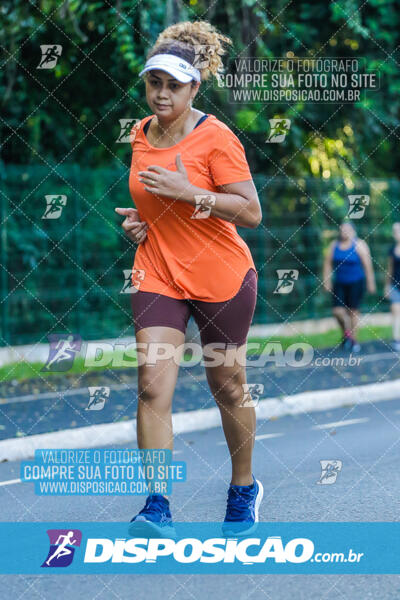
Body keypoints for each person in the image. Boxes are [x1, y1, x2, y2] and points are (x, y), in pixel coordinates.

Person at [115, 20, 263, 538]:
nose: (161, 93)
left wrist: (186, 191)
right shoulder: (139, 133)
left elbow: (250, 212)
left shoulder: (216, 136)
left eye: (173, 85)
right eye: (154, 82)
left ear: (194, 86)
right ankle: (157, 506)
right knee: (152, 385)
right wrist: (139, 223)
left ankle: (243, 488)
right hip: (158, 269)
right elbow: (149, 203)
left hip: (220, 273)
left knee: (228, 384)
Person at [323, 221, 376, 352]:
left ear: (353, 231)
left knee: (353, 312)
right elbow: (327, 264)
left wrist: (371, 283)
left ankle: (354, 341)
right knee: (337, 312)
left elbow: (367, 265)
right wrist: (327, 281)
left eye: (347, 229)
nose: (344, 231)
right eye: (342, 229)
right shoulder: (334, 245)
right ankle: (346, 334)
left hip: (356, 282)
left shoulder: (359, 244)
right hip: (340, 283)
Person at [384, 222, 400, 351]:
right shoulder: (391, 250)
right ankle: (396, 338)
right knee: (395, 309)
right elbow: (389, 269)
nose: (397, 234)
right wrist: (387, 286)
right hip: (395, 284)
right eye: (395, 232)